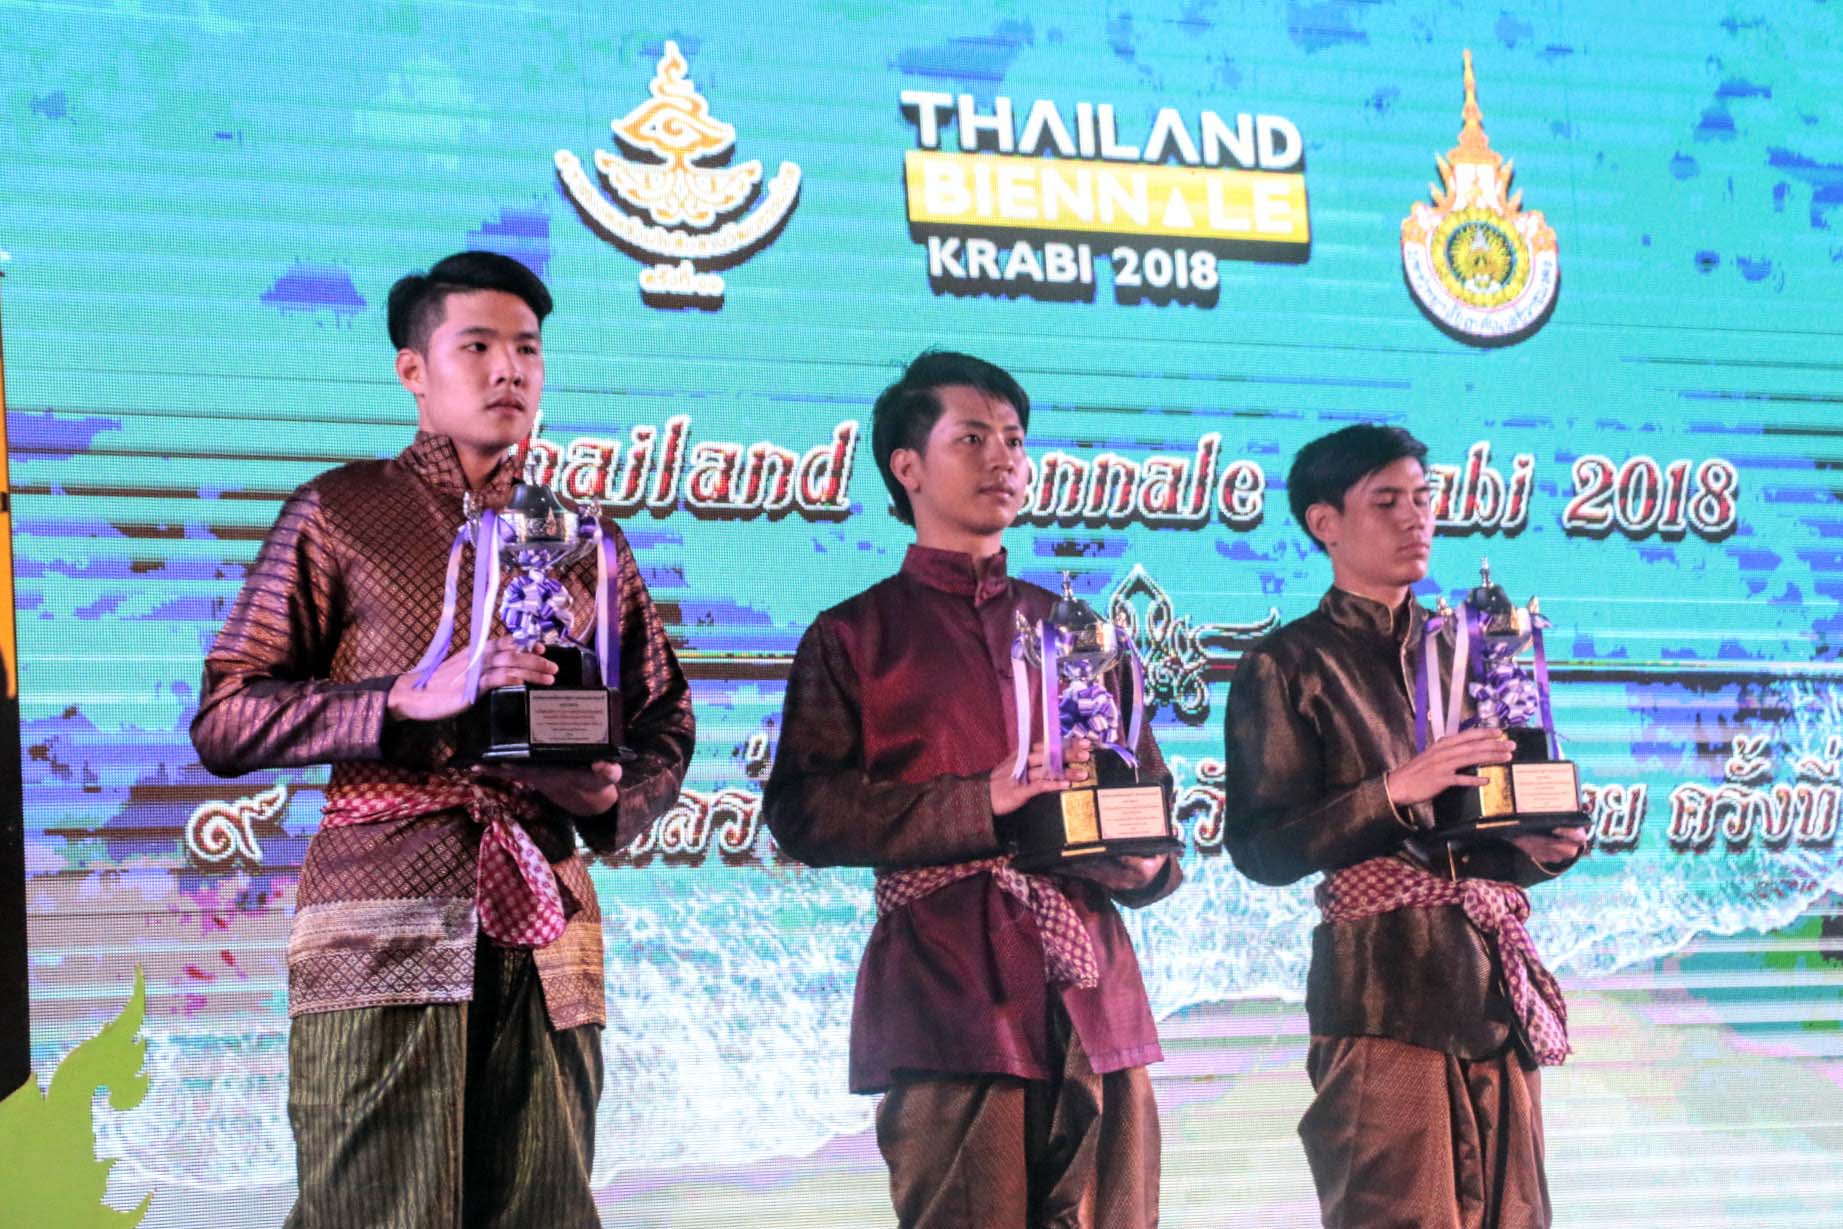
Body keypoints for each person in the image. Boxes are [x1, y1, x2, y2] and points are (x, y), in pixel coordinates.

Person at [190, 251, 695, 1227]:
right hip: (383, 920)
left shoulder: (585, 537)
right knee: (377, 1211)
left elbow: (664, 717)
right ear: (413, 370)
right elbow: (225, 714)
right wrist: (399, 698)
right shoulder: (339, 512)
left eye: (528, 350)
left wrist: (610, 797)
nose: (509, 370)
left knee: (546, 1210)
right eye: (478, 346)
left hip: (548, 925)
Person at [763, 350, 1182, 1229]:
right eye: (972, 438)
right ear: (906, 466)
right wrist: (978, 799)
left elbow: (1151, 802)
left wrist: (1148, 861)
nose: (1003, 459)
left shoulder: (1082, 631)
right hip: (949, 997)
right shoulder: (853, 634)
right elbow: (803, 814)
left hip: (1096, 994)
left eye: (1015, 440)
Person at [1222, 423, 1587, 1229]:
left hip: (1489, 989)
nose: (1415, 517)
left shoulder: (1470, 651)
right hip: (1378, 999)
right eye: (1385, 501)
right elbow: (1259, 848)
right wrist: (1392, 791)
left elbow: (1477, 830)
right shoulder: (1286, 662)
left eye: (1422, 498)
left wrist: (1536, 849)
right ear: (1324, 522)